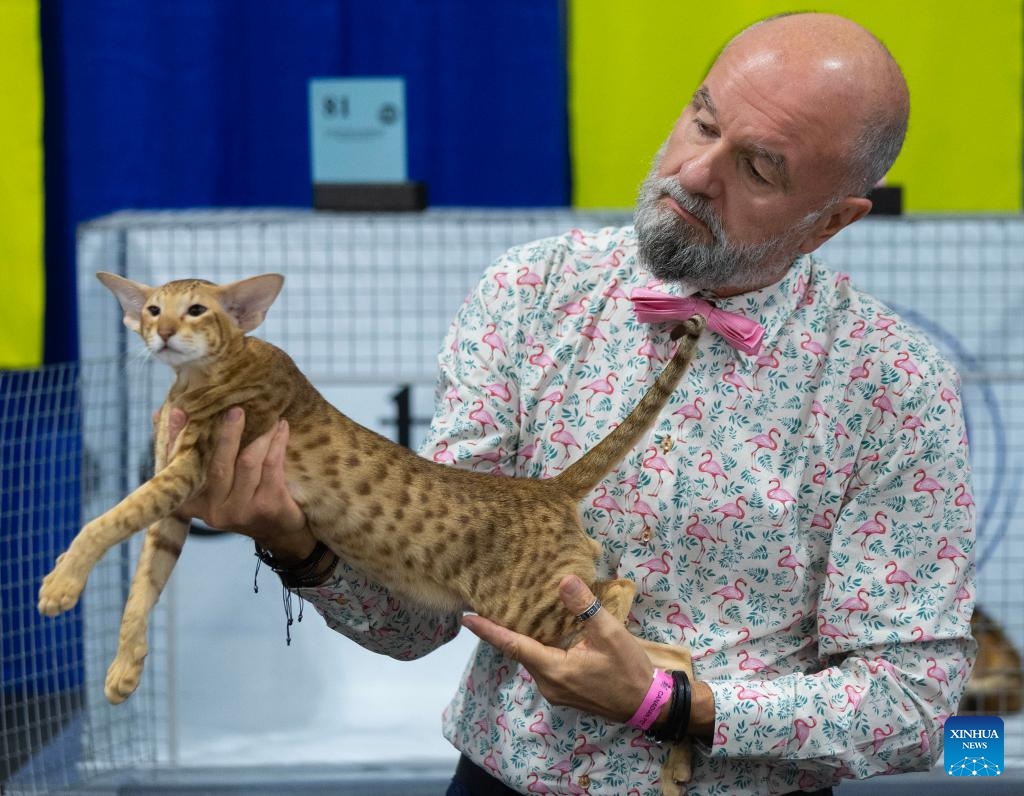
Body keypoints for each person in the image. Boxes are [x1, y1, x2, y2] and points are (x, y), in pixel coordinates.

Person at [171, 12, 976, 796]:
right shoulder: (531, 293)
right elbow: (418, 623)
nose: (696, 172)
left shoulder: (892, 383)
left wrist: (676, 705)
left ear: (831, 221)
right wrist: (295, 543)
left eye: (759, 169)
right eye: (702, 123)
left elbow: (912, 700)